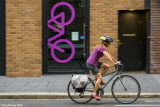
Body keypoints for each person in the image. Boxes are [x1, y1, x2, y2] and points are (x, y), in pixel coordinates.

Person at [86, 35, 120, 100]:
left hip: (94, 63)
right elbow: (108, 56)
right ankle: (93, 93)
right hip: (91, 64)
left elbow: (110, 55)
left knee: (107, 66)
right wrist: (114, 63)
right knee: (100, 77)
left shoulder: (102, 47)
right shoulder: (101, 48)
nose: (110, 44)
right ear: (106, 43)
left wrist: (116, 62)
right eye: (109, 43)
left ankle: (99, 80)